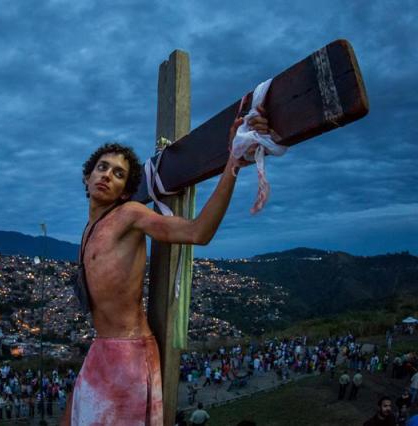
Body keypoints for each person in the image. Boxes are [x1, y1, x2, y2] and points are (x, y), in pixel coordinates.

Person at [62, 110, 270, 426]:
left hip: (128, 354)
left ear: (126, 191)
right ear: (86, 177)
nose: (107, 175)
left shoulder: (129, 215)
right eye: (102, 168)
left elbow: (198, 232)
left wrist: (233, 163)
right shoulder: (89, 229)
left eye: (118, 174)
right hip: (101, 349)